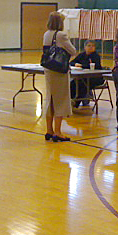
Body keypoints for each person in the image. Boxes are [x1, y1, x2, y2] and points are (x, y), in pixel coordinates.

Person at [42, 12, 77, 142]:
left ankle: (49, 130)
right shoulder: (61, 35)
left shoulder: (46, 34)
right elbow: (73, 51)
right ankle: (58, 131)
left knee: (50, 98)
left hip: (48, 69)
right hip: (59, 70)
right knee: (61, 100)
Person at [70, 40, 104, 107]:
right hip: (83, 76)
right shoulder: (81, 55)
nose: (91, 47)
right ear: (85, 47)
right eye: (89, 46)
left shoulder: (96, 56)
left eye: (93, 46)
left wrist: (82, 65)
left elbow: (96, 66)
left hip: (95, 78)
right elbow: (72, 62)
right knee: (73, 83)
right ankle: (70, 100)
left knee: (82, 84)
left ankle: (76, 103)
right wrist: (76, 64)